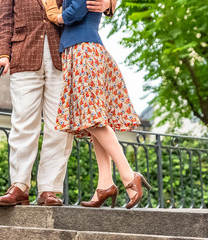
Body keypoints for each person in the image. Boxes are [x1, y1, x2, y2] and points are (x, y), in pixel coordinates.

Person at [0, 0, 112, 206]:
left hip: (63, 54)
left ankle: (49, 189)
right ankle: (19, 186)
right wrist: (3, 55)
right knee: (22, 124)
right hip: (24, 54)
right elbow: (4, 19)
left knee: (59, 127)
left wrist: (110, 3)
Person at [42, 0, 151, 208]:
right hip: (82, 47)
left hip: (83, 49)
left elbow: (76, 11)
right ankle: (105, 184)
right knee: (93, 121)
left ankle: (129, 175)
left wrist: (55, 16)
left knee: (92, 119)